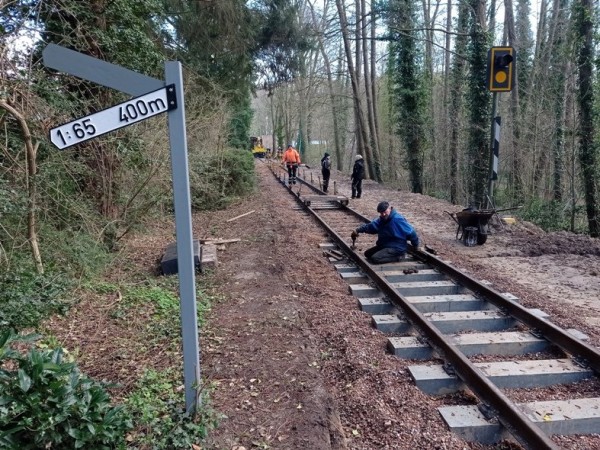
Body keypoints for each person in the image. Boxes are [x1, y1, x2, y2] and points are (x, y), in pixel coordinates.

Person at [351, 201, 419, 264]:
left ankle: (398, 257)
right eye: (381, 213)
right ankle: (392, 254)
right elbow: (371, 227)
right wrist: (358, 230)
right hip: (385, 245)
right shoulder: (382, 219)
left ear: (390, 209)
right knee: (367, 254)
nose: (383, 214)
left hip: (397, 248)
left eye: (385, 211)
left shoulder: (398, 219)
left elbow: (412, 233)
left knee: (375, 258)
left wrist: (415, 246)